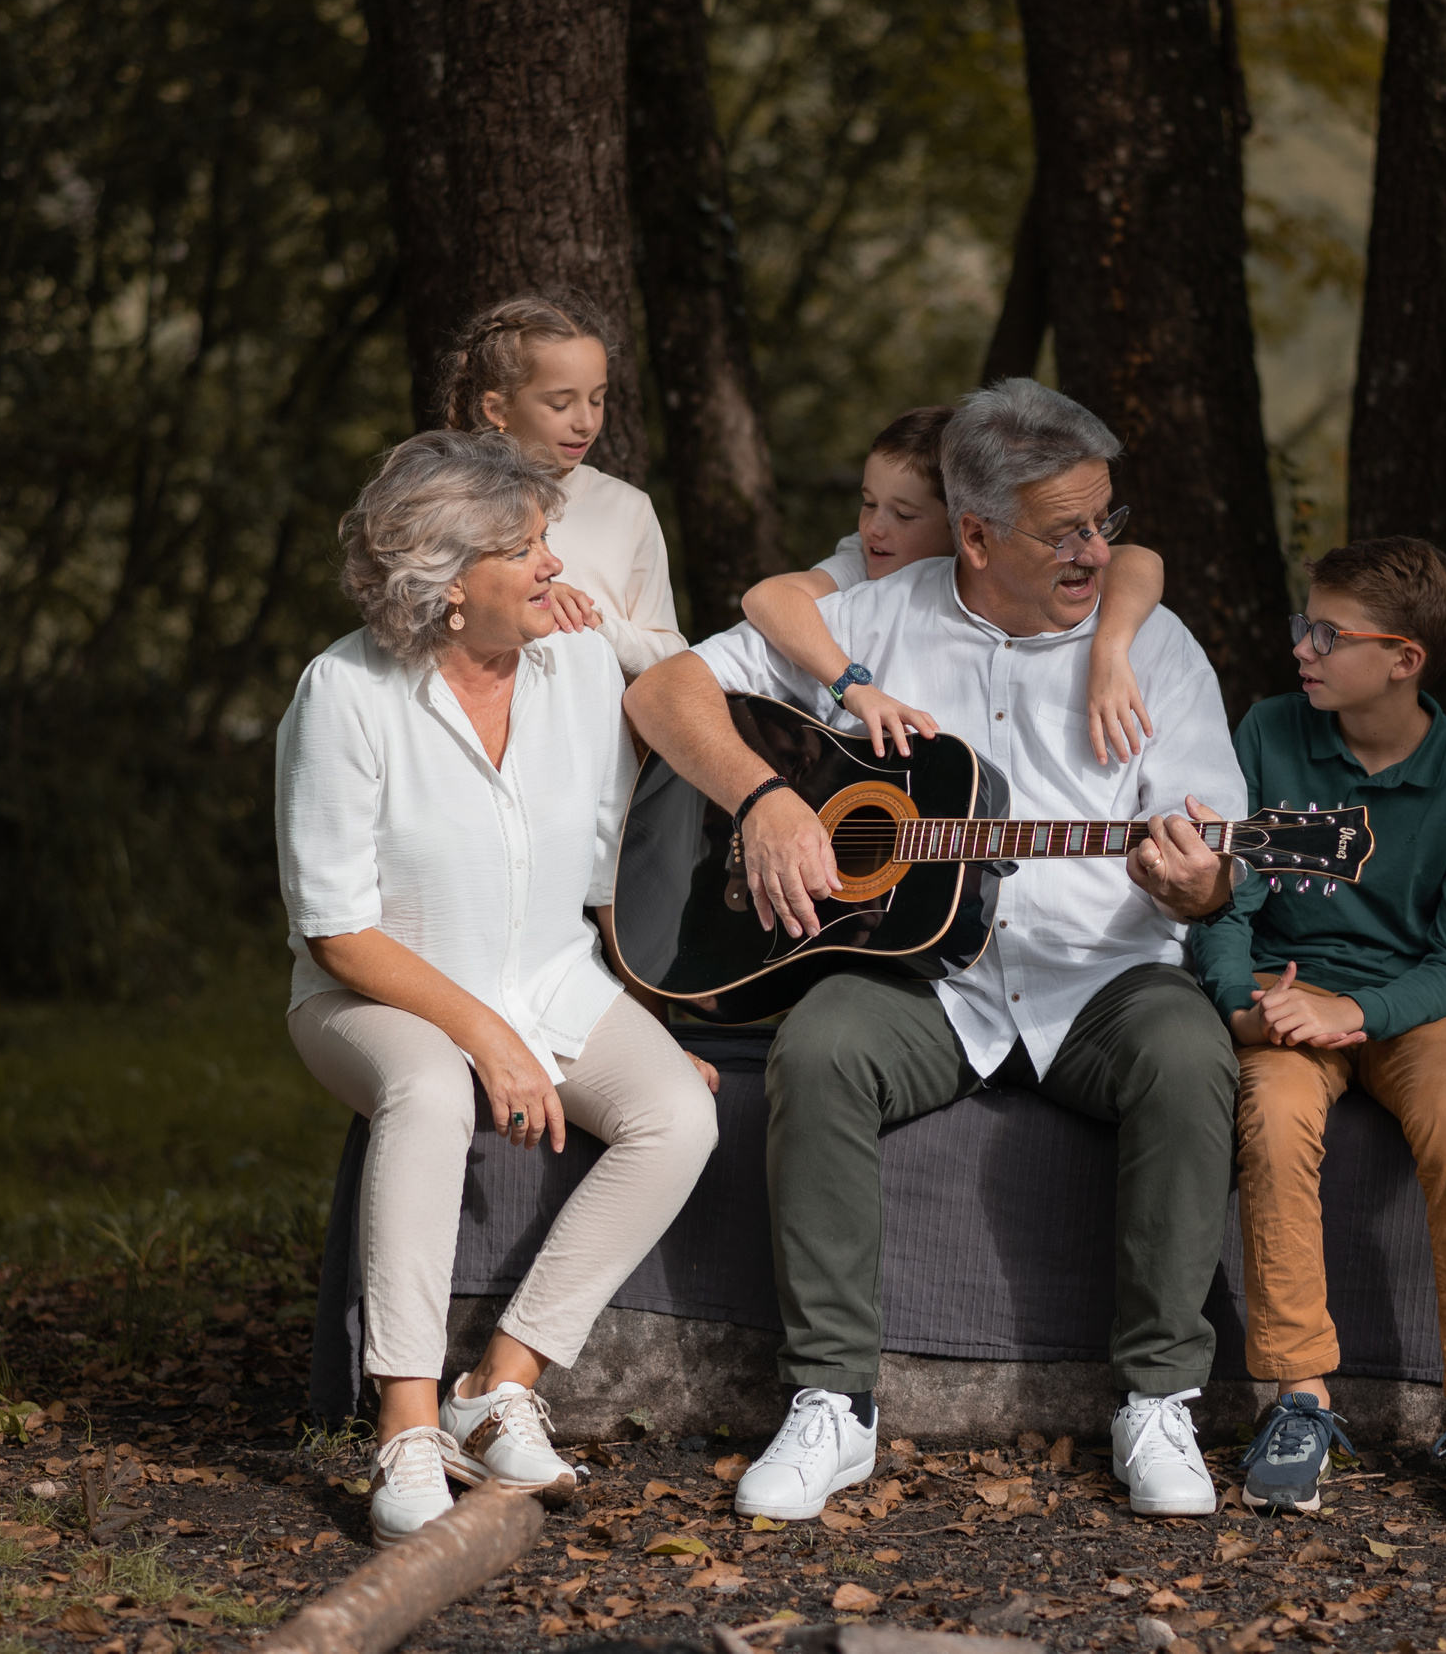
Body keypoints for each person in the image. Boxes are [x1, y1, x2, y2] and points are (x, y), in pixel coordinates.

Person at [625, 378, 1247, 1520]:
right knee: (820, 1045)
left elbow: (1212, 852)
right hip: (929, 978)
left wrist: (1197, 880)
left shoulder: (1150, 645)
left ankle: (1159, 1398)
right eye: (1066, 531)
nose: (1098, 550)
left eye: (1105, 520)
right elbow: (667, 691)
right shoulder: (867, 620)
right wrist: (762, 797)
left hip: (1100, 978)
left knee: (1189, 1052)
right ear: (974, 533)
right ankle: (831, 1403)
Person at [275, 430, 720, 1546]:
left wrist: (650, 1020)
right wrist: (482, 1034)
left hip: (548, 980)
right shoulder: (343, 692)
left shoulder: (570, 667)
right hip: (376, 996)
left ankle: (500, 1380)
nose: (552, 569)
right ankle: (405, 1425)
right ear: (447, 578)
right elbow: (335, 929)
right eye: (525, 550)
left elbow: (605, 855)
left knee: (680, 1113)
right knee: (428, 1089)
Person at [1186, 538, 1446, 1524]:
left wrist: (1358, 1013)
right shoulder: (1267, 731)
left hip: (1413, 1006)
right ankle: (1298, 1397)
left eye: (1327, 634)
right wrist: (1241, 1004)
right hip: (1283, 995)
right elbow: (1225, 902)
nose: (1302, 647)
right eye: (1305, 625)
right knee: (1270, 1114)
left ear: (1403, 658)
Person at [739, 405, 1174, 764]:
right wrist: (852, 687)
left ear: (965, 532)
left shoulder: (1027, 556)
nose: (875, 527)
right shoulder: (864, 566)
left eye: (905, 515)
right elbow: (767, 596)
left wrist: (1110, 649)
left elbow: (1137, 561)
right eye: (868, 503)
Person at [439, 291, 688, 678]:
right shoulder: (452, 501)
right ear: (498, 409)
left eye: (598, 399)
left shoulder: (628, 508)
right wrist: (524, 602)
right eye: (560, 404)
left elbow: (672, 657)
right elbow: (415, 624)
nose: (586, 422)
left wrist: (594, 622)